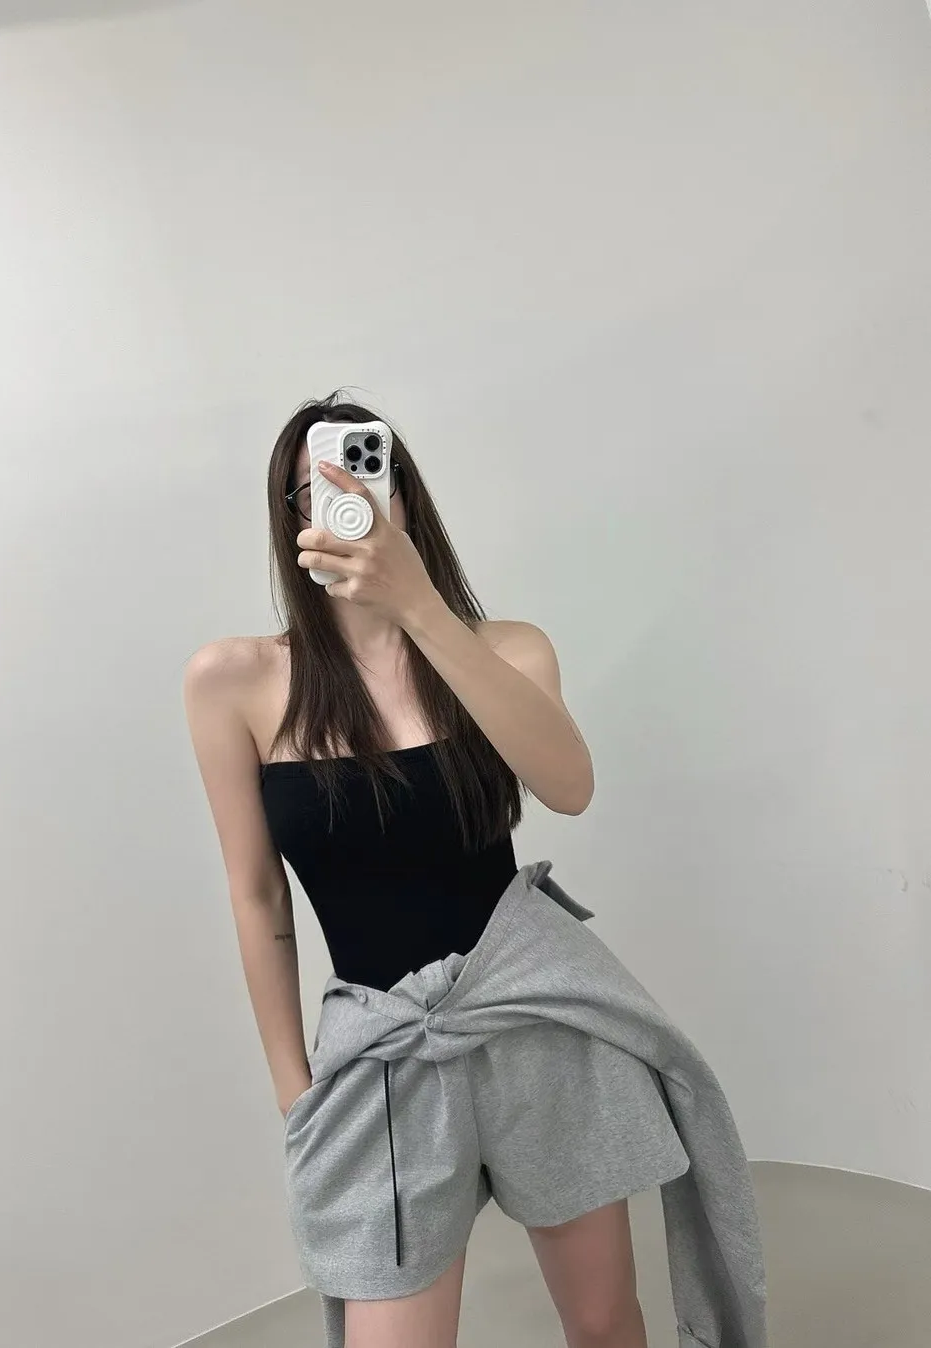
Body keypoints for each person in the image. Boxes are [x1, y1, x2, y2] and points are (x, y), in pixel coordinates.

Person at [182, 394, 731, 1348]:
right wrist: (294, 1087)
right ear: (289, 519)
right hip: (385, 1052)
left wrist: (420, 610)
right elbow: (256, 892)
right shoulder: (236, 682)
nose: (345, 498)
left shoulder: (505, 650)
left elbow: (569, 786)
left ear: (406, 493)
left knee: (606, 1324)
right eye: (314, 488)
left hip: (538, 1027)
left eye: (366, 471)